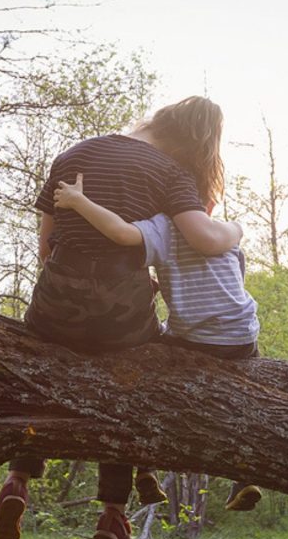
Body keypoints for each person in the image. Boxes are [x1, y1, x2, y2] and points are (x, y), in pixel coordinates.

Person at [0, 96, 242, 539]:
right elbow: (204, 239)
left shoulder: (72, 155)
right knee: (131, 382)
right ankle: (112, 512)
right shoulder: (172, 173)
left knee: (40, 367)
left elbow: (46, 247)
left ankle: (16, 482)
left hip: (57, 295)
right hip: (121, 306)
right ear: (195, 141)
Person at [53, 172, 264, 514]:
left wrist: (80, 201)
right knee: (250, 396)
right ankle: (246, 476)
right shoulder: (223, 230)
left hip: (195, 340)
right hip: (242, 336)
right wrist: (237, 228)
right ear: (209, 203)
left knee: (141, 382)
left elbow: (120, 232)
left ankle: (145, 469)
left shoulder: (163, 227)